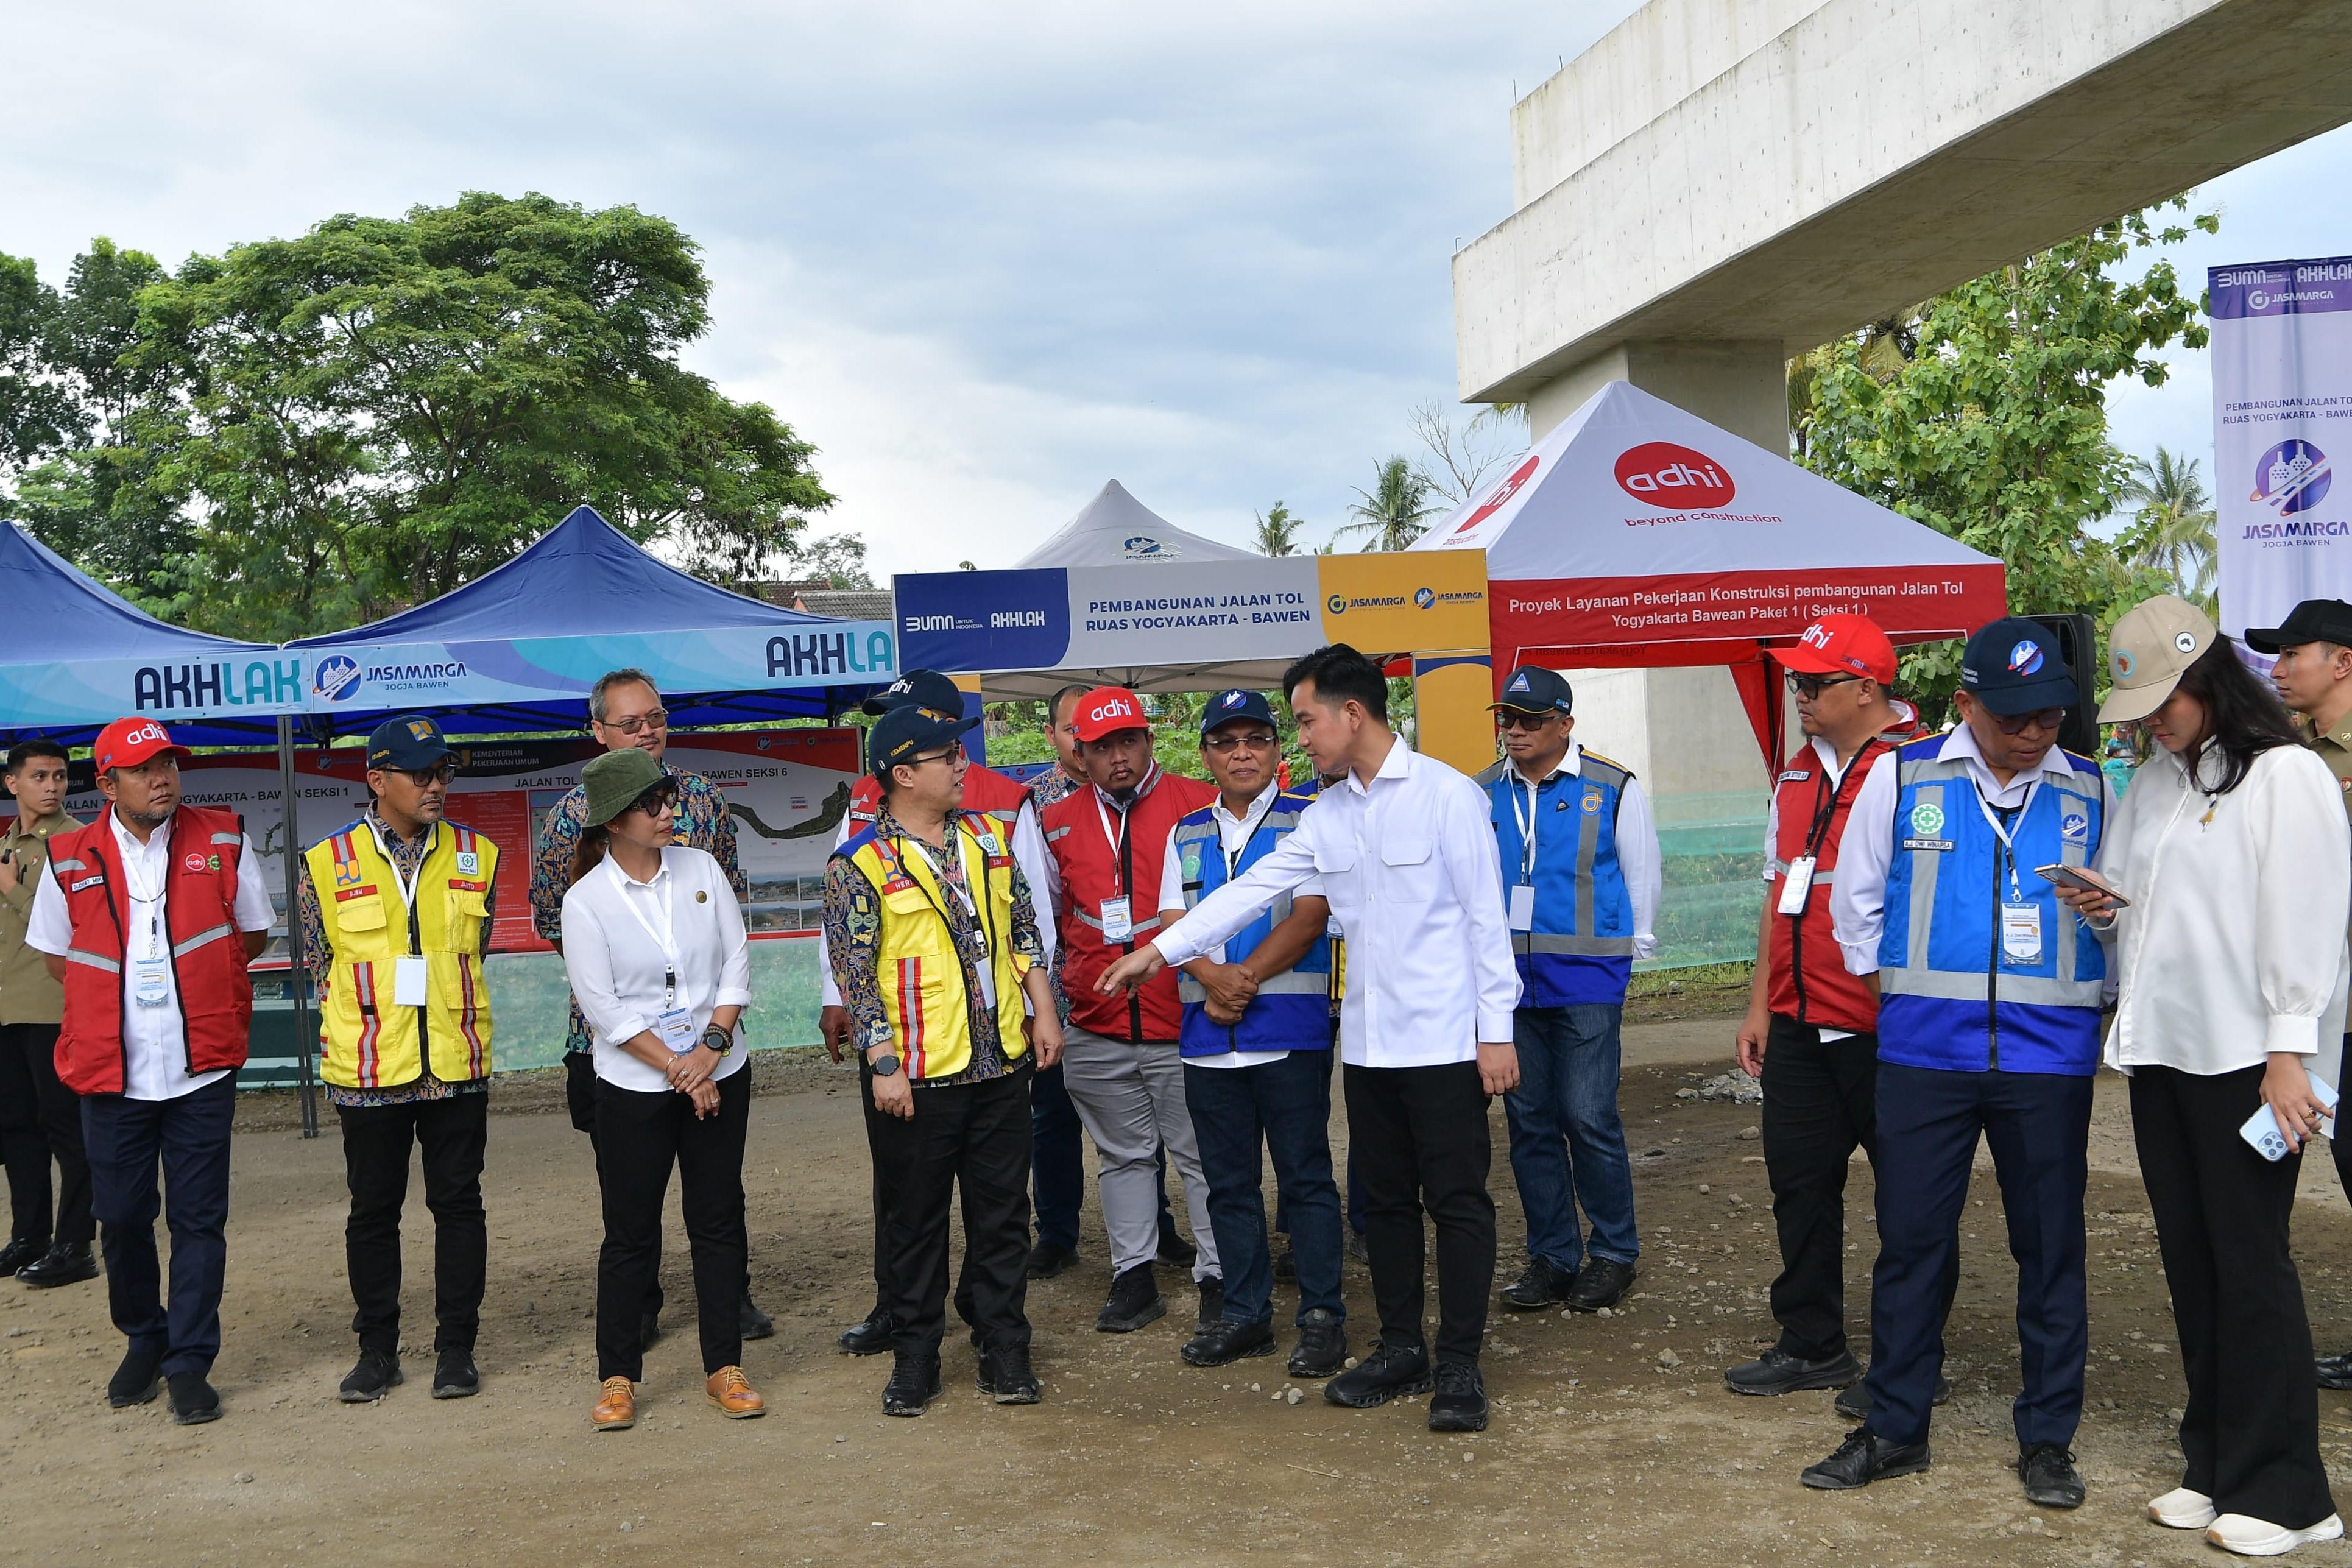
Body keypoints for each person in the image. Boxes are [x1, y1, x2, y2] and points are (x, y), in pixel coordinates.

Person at [1098, 645, 1520, 1435]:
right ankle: (1400, 1346)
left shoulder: (1445, 796)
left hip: (1444, 1043)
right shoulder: (1328, 815)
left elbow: (1484, 921)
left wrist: (1494, 1033)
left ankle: (1458, 1362)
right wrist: (1158, 951)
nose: (1299, 737)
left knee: (1458, 1201)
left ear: (1350, 714)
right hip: (1366, 1047)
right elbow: (1252, 891)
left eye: (1303, 719)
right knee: (1385, 1203)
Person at [1806, 619, 2111, 1508]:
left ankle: (2048, 1438)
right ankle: (1896, 1427)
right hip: (1923, 1057)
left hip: (2048, 1059)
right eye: (2014, 714)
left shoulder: (2090, 788)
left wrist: (2103, 925)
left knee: (2051, 1247)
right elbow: (1854, 901)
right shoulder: (1904, 777)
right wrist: (1891, 996)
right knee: (1910, 1243)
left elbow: (2122, 916)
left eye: (2051, 712)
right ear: (1964, 702)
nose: (2035, 729)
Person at [2079, 596, 2347, 1556]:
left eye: (2167, 698)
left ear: (2209, 679)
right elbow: (2133, 907)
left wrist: (2290, 1053)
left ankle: (2290, 1493)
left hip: (2248, 1060)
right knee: (2192, 1263)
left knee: (2251, 1266)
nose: (2154, 717)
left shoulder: (2285, 778)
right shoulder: (2155, 780)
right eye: (2142, 704)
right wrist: (2100, 906)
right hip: (2164, 1052)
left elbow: (2306, 920)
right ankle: (2217, 1461)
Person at [25, 718, 274, 1424]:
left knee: (200, 1221)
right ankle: (143, 1333)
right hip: (111, 1072)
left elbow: (250, 934)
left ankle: (190, 1358)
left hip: (200, 1068)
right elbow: (55, 956)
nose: (162, 777)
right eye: (142, 768)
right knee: (122, 1217)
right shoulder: (68, 854)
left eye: (167, 763)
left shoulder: (223, 837)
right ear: (106, 783)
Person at [824, 704, 1061, 1415]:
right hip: (919, 1077)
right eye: (945, 757)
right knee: (914, 1220)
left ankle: (1003, 1346)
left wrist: (1044, 1008)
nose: (962, 767)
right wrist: (884, 1064)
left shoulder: (989, 838)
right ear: (902, 774)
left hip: (1000, 1066)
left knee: (1001, 1216)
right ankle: (917, 1355)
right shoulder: (860, 861)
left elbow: (1022, 929)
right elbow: (855, 973)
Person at [529, 668, 770, 1347]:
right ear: (597, 733)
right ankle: (639, 1305)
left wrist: (703, 1041)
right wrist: (620, 987)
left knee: (716, 1185)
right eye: (631, 724)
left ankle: (732, 1299)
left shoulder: (703, 800)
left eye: (656, 718)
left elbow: (727, 907)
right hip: (613, 1042)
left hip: (710, 1037)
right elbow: (555, 919)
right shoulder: (571, 816)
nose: (648, 732)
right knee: (630, 1189)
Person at [1725, 616, 1908, 1398]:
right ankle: (1812, 1340)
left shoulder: (1918, 767)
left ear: (1866, 687)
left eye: (1813, 681)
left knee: (1909, 1196)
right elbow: (1779, 891)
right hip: (1799, 1020)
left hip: (1884, 1026)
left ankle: (1907, 1358)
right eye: (1795, 680)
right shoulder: (1795, 774)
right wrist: (1760, 1003)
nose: (1798, 694)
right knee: (1798, 1184)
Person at [560, 747, 765, 1432]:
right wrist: (679, 1070)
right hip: (633, 1085)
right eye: (652, 804)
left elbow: (735, 965)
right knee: (629, 1234)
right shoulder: (585, 901)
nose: (668, 812)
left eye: (668, 799)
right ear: (614, 820)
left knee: (717, 1220)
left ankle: (724, 1367)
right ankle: (618, 1377)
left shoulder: (701, 869)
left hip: (719, 1070)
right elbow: (606, 1011)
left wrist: (708, 1051)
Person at [294, 716, 496, 1402]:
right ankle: (376, 1351)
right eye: (421, 773)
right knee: (373, 1213)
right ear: (377, 781)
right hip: (369, 1071)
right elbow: (320, 965)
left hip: (455, 1065)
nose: (437, 784)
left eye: (443, 771)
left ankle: (455, 1349)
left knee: (459, 1206)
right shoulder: (325, 862)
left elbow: (477, 951)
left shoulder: (479, 854)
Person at [1158, 689, 1347, 1376]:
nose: (1242, 752)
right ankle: (1245, 1315)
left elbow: (1311, 916)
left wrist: (1241, 981)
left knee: (1306, 1181)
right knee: (1228, 1185)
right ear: (1207, 754)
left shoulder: (1315, 819)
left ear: (1277, 750)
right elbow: (1171, 927)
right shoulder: (1184, 833)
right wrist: (1214, 978)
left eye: (1256, 740)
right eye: (1227, 742)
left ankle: (1323, 1315)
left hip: (1288, 1031)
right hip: (1208, 1040)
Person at [1039, 686, 1223, 1335]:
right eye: (1101, 746)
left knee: (1201, 1154)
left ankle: (1218, 1275)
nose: (1119, 757)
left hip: (1186, 1019)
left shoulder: (1198, 804)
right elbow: (1044, 917)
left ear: (1149, 741)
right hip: (1097, 1022)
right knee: (1121, 1157)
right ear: (1077, 754)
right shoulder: (1053, 821)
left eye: (1129, 741)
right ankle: (1133, 1274)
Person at [1480, 665, 1658, 1315]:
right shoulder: (1479, 792)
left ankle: (1613, 1254)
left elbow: (1642, 876)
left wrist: (1629, 959)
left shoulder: (1611, 786)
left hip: (1587, 979)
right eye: (1508, 718)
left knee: (1588, 1116)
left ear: (1566, 724)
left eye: (1530, 719)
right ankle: (1553, 1256)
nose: (1516, 730)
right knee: (1529, 1122)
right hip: (1507, 985)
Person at [2244, 598, 2352, 1391]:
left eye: (2291, 653)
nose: (2276, 668)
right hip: (2324, 1010)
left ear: (2341, 660)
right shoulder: (2287, 757)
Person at [0, 740, 96, 1288]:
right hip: (11, 1006)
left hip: (54, 1005)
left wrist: (12, 889)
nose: (53, 786)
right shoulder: (8, 843)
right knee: (18, 1127)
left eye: (59, 776)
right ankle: (28, 1235)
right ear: (12, 783)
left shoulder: (76, 842)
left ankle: (75, 1242)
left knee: (66, 1127)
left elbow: (73, 926)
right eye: (39, 776)